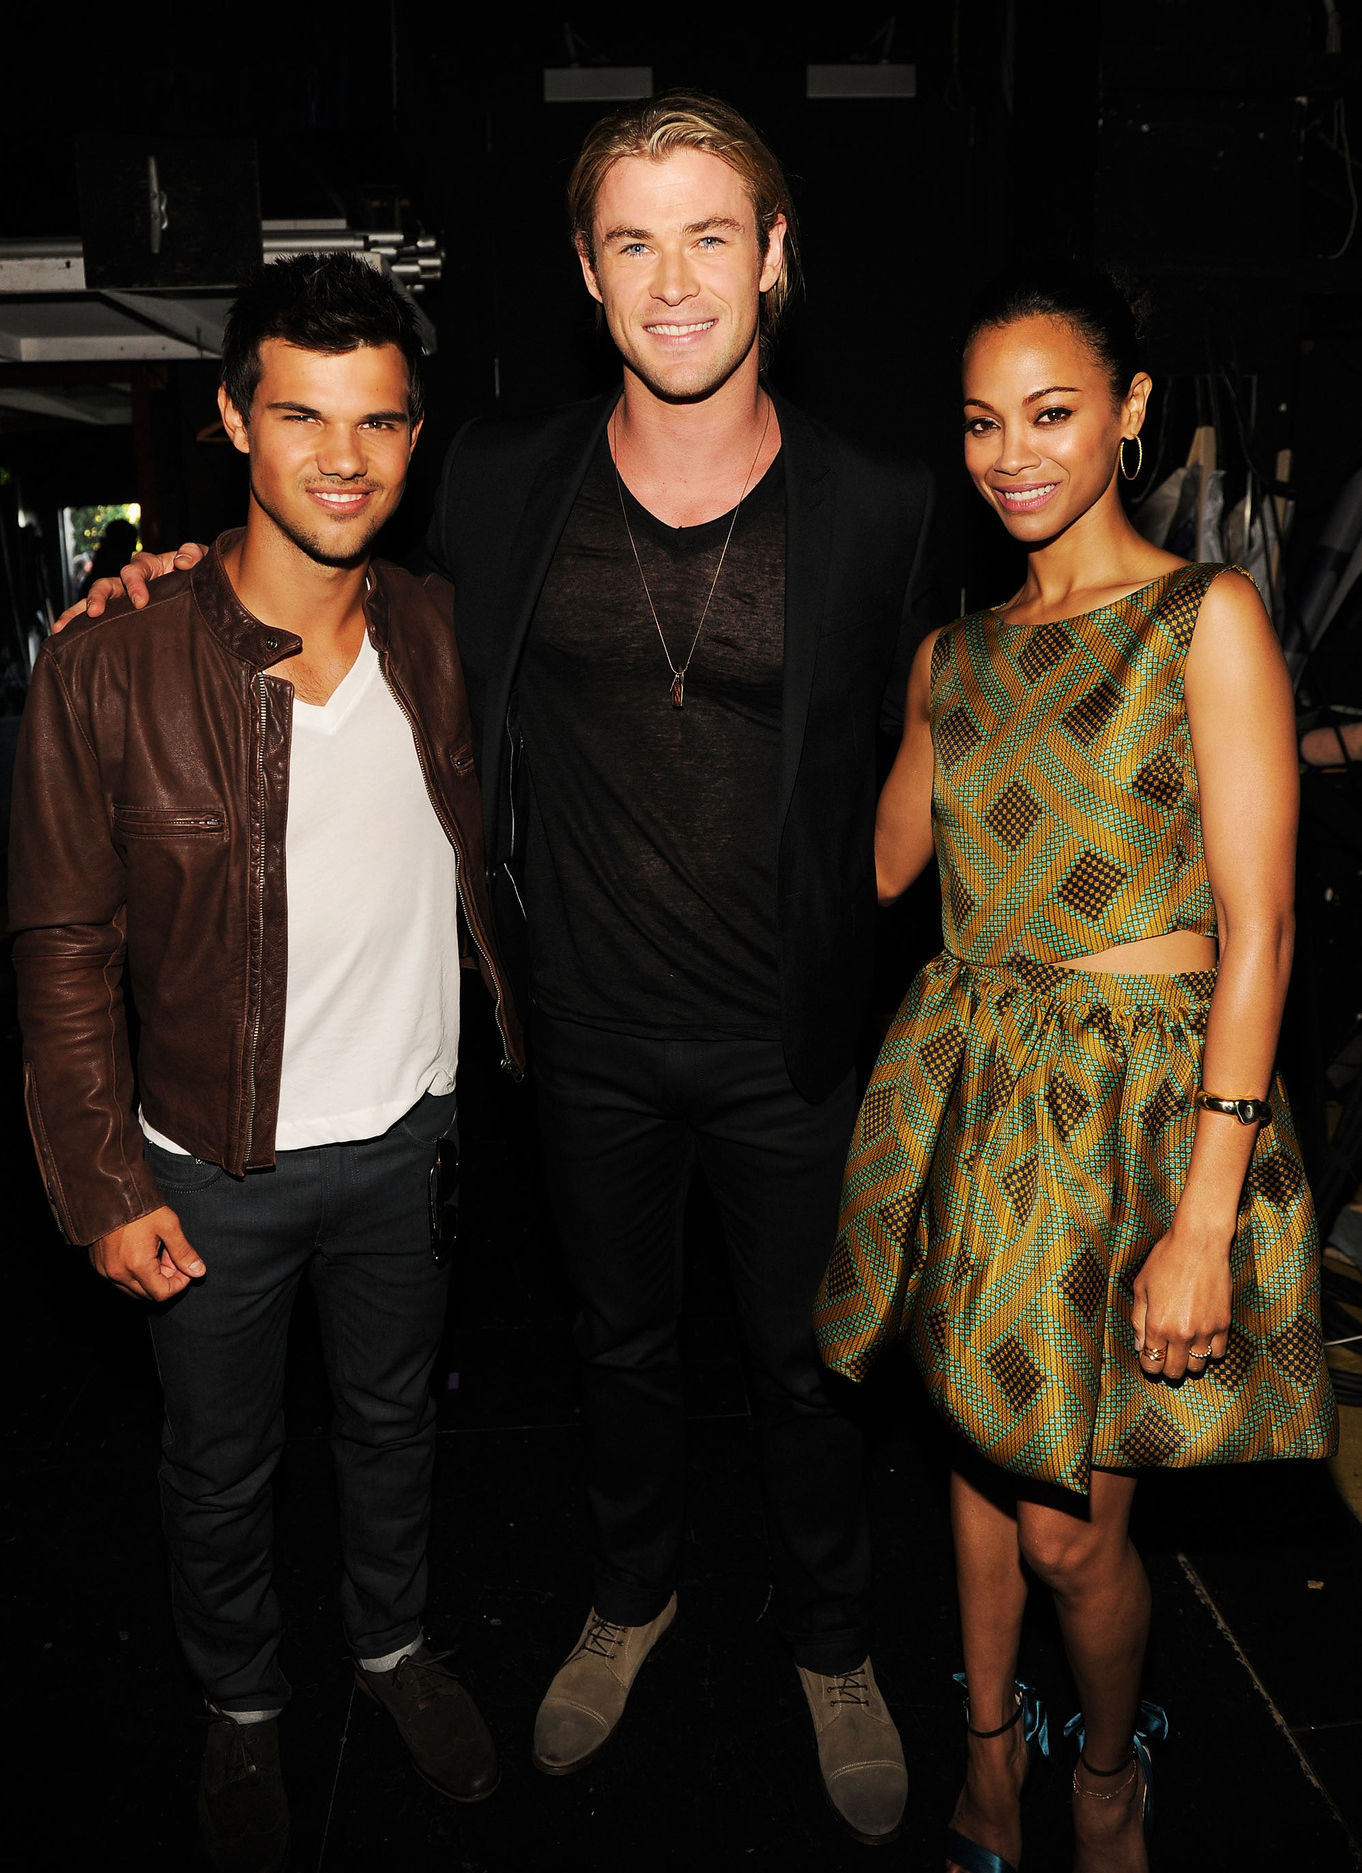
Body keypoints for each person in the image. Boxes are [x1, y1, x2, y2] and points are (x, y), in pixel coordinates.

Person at [76, 91, 937, 1847]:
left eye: (712, 234)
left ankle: (836, 1643)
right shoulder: (494, 475)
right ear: (583, 270)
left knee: (805, 1366)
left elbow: (928, 734)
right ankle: (632, 1600)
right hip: (585, 1039)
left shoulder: (881, 501)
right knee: (616, 1354)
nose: (673, 277)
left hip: (788, 1042)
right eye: (634, 239)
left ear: (776, 259)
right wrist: (157, 582)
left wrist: (851, 930)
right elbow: (331, 575)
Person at [814, 267, 1337, 1873]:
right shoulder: (952, 654)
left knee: (1067, 1530)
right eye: (981, 424)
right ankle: (989, 1761)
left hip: (1137, 1109)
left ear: (1124, 417)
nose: (1011, 454)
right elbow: (891, 869)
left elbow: (1255, 935)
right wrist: (888, 662)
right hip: (973, 1091)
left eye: (1049, 415)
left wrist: (1205, 1212)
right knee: (982, 1453)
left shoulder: (1207, 617)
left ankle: (1105, 1768)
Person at [12, 253, 523, 1873]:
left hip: (412, 1146)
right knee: (216, 1468)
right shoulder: (110, 658)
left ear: (417, 433)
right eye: (299, 414)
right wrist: (97, 1182)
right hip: (203, 1164)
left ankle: (388, 1649)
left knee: (391, 1430)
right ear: (235, 420)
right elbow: (60, 944)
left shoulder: (440, 632)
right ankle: (240, 1705)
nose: (342, 457)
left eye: (377, 421)